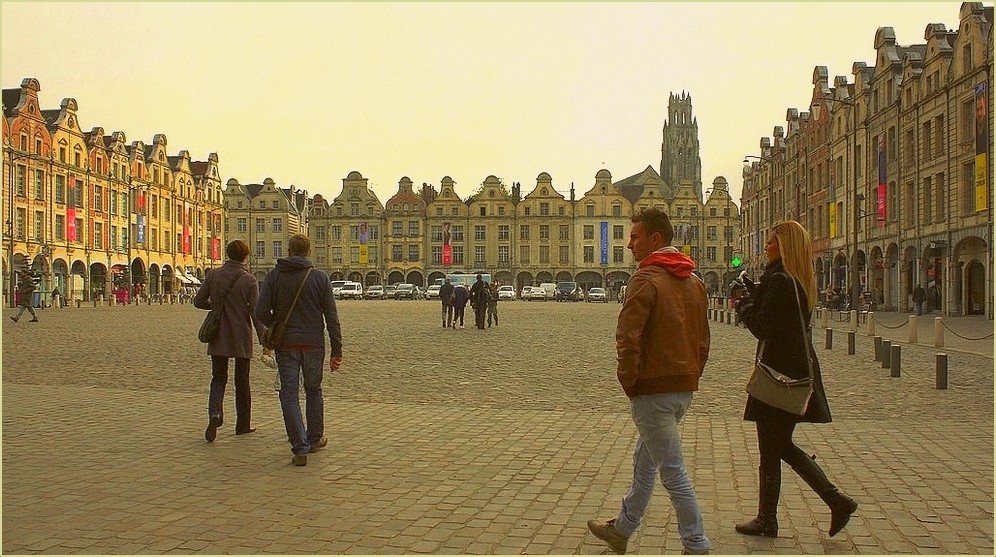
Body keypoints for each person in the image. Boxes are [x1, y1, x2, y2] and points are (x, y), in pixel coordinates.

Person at [588, 208, 711, 556]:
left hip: (652, 388)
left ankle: (696, 543)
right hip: (682, 387)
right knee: (645, 458)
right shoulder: (694, 280)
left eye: (635, 237)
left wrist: (630, 382)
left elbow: (628, 338)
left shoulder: (645, 279)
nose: (629, 245)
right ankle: (622, 529)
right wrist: (692, 374)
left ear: (655, 239)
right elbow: (703, 338)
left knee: (673, 472)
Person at [731, 221, 857, 540]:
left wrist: (743, 304)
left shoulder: (781, 281)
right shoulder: (794, 280)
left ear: (784, 247)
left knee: (773, 446)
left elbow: (764, 327)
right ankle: (824, 503)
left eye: (772, 242)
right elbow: (780, 317)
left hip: (779, 375)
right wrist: (754, 291)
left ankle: (783, 514)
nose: (766, 246)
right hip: (793, 369)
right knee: (778, 445)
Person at [255, 234, 343, 466]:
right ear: (309, 251)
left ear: (289, 250)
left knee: (289, 393)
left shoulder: (275, 276)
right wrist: (337, 350)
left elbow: (260, 311)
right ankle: (314, 438)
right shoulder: (320, 278)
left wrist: (277, 322)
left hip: (287, 344)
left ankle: (300, 446)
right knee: (313, 390)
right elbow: (331, 317)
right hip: (314, 343)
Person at [193, 240, 265, 442]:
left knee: (218, 378)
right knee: (242, 381)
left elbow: (198, 301)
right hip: (241, 334)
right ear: (245, 256)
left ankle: (215, 413)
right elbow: (255, 312)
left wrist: (215, 307)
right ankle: (242, 424)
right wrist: (263, 337)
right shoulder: (249, 280)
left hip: (219, 333)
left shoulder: (213, 275)